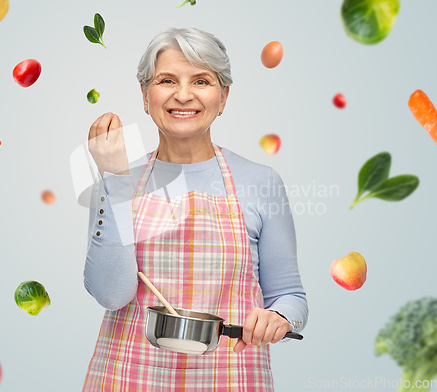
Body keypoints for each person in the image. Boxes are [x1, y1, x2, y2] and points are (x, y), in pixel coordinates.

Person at [82, 27, 308, 391]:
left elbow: (291, 296)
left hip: (232, 377)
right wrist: (114, 179)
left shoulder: (261, 181)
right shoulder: (118, 179)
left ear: (223, 97)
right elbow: (111, 294)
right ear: (145, 94)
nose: (183, 95)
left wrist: (280, 317)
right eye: (167, 80)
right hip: (128, 378)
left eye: (201, 81)